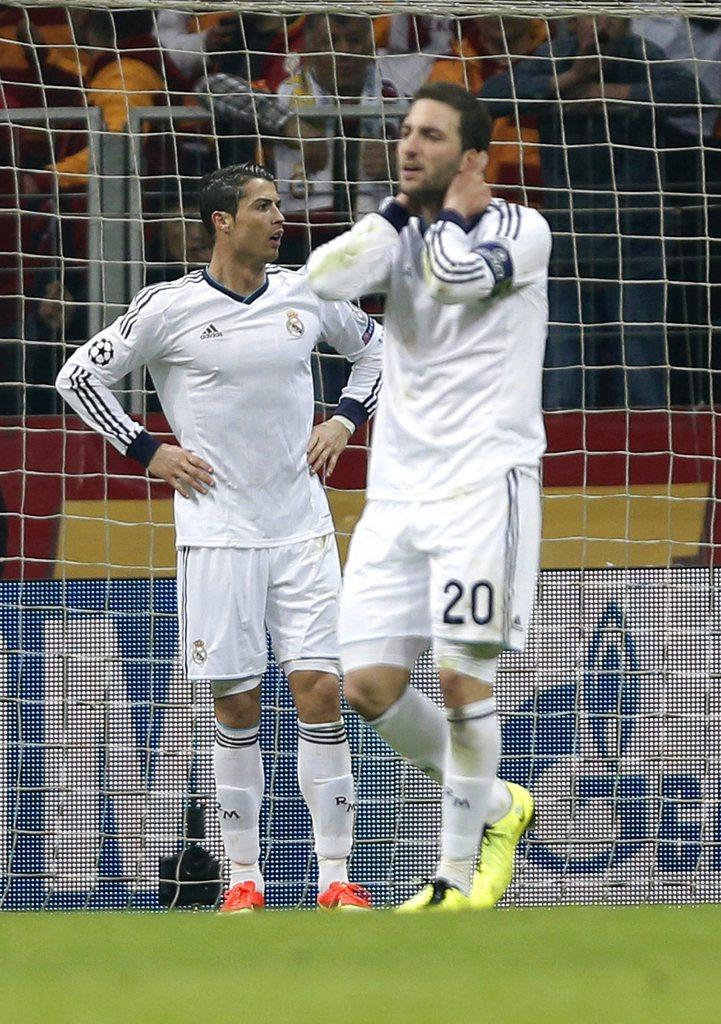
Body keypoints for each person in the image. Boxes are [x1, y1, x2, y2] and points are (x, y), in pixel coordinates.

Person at [56, 163, 383, 913]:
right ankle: (245, 879)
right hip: (217, 534)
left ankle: (336, 876)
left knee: (321, 691)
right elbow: (78, 377)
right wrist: (149, 450)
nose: (278, 218)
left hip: (301, 526)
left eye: (278, 205)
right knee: (236, 705)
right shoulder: (167, 308)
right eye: (262, 207)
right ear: (221, 221)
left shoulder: (308, 292)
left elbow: (377, 350)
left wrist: (341, 419)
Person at [308, 81, 549, 910]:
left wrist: (436, 218)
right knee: (366, 684)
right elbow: (321, 279)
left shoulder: (521, 228)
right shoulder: (400, 225)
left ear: (473, 155)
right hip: (397, 496)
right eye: (406, 131)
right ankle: (497, 804)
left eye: (432, 136)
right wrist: (391, 214)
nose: (411, 145)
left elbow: (451, 282)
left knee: (458, 677)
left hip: (484, 485)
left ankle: (452, 877)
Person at [480, 14, 706, 409]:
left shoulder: (641, 55)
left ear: (628, 23)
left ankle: (654, 461)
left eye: (612, 19)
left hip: (637, 238)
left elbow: (696, 94)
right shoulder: (554, 56)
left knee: (643, 368)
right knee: (564, 372)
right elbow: (491, 97)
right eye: (592, 19)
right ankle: (557, 465)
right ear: (572, 21)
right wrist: (566, 83)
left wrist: (612, 92)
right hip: (569, 241)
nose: (601, 29)